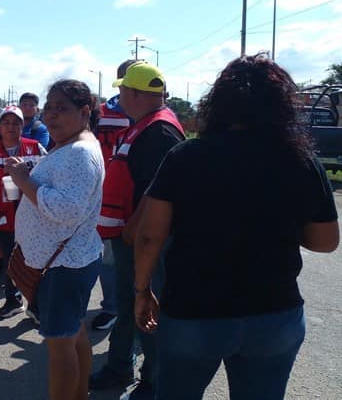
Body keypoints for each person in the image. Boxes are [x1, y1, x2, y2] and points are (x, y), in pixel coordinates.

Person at [134, 55, 339, 399]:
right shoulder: (301, 161)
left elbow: (149, 235)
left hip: (193, 312)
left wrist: (142, 290)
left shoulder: (186, 157)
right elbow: (325, 241)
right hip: (274, 313)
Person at [90, 61, 185, 398]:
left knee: (148, 308)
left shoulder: (158, 130)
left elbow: (157, 191)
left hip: (143, 240)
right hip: (129, 237)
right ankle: (119, 367)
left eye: (121, 90)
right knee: (130, 304)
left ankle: (153, 381)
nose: (118, 96)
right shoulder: (145, 125)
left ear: (134, 92)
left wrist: (133, 228)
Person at [10, 79, 104, 400]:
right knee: (74, 334)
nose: (51, 115)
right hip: (66, 261)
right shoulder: (71, 145)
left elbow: (66, 208)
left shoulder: (79, 152)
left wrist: (23, 180)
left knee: (60, 347)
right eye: (48, 107)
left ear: (84, 111)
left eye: (61, 108)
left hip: (63, 266)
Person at [89, 59, 137, 331]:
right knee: (107, 257)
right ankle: (112, 307)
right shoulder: (102, 112)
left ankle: (139, 307)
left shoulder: (151, 114)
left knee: (143, 257)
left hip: (139, 195)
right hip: (105, 195)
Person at [0, 105, 45, 318]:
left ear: (23, 126)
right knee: (9, 261)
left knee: (35, 260)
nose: (11, 127)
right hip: (4, 217)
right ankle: (13, 300)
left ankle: (36, 306)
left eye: (16, 123)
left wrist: (25, 176)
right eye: (6, 123)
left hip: (32, 216)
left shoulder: (35, 147)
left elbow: (48, 174)